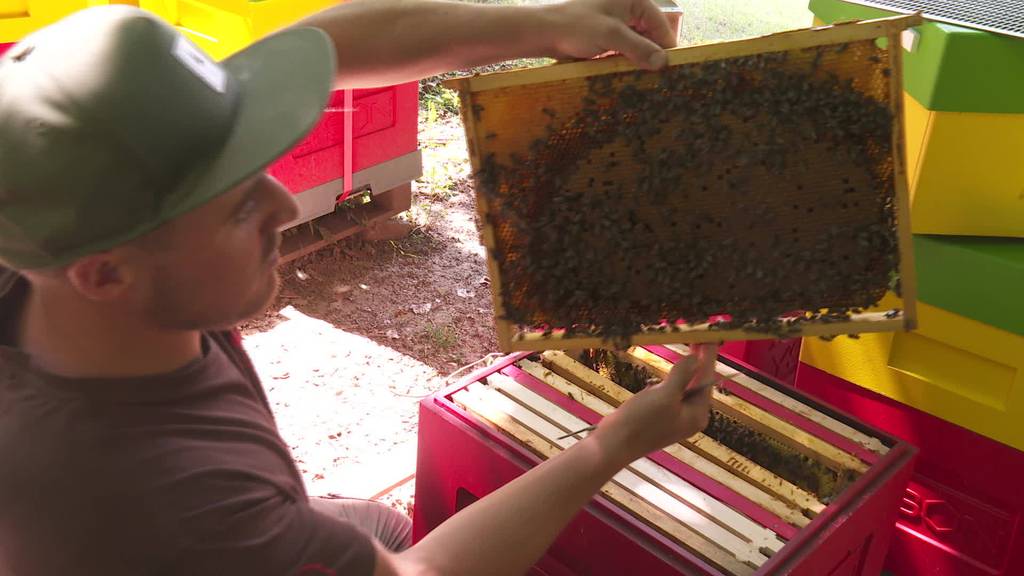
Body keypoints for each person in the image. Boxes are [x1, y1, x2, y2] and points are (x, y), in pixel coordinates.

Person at [0, 1, 718, 574]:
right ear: (105, 273)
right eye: (237, 203)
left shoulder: (50, 221)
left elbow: (324, 44)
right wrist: (610, 446)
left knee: (383, 524)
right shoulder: (183, 508)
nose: (283, 208)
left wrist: (542, 21)